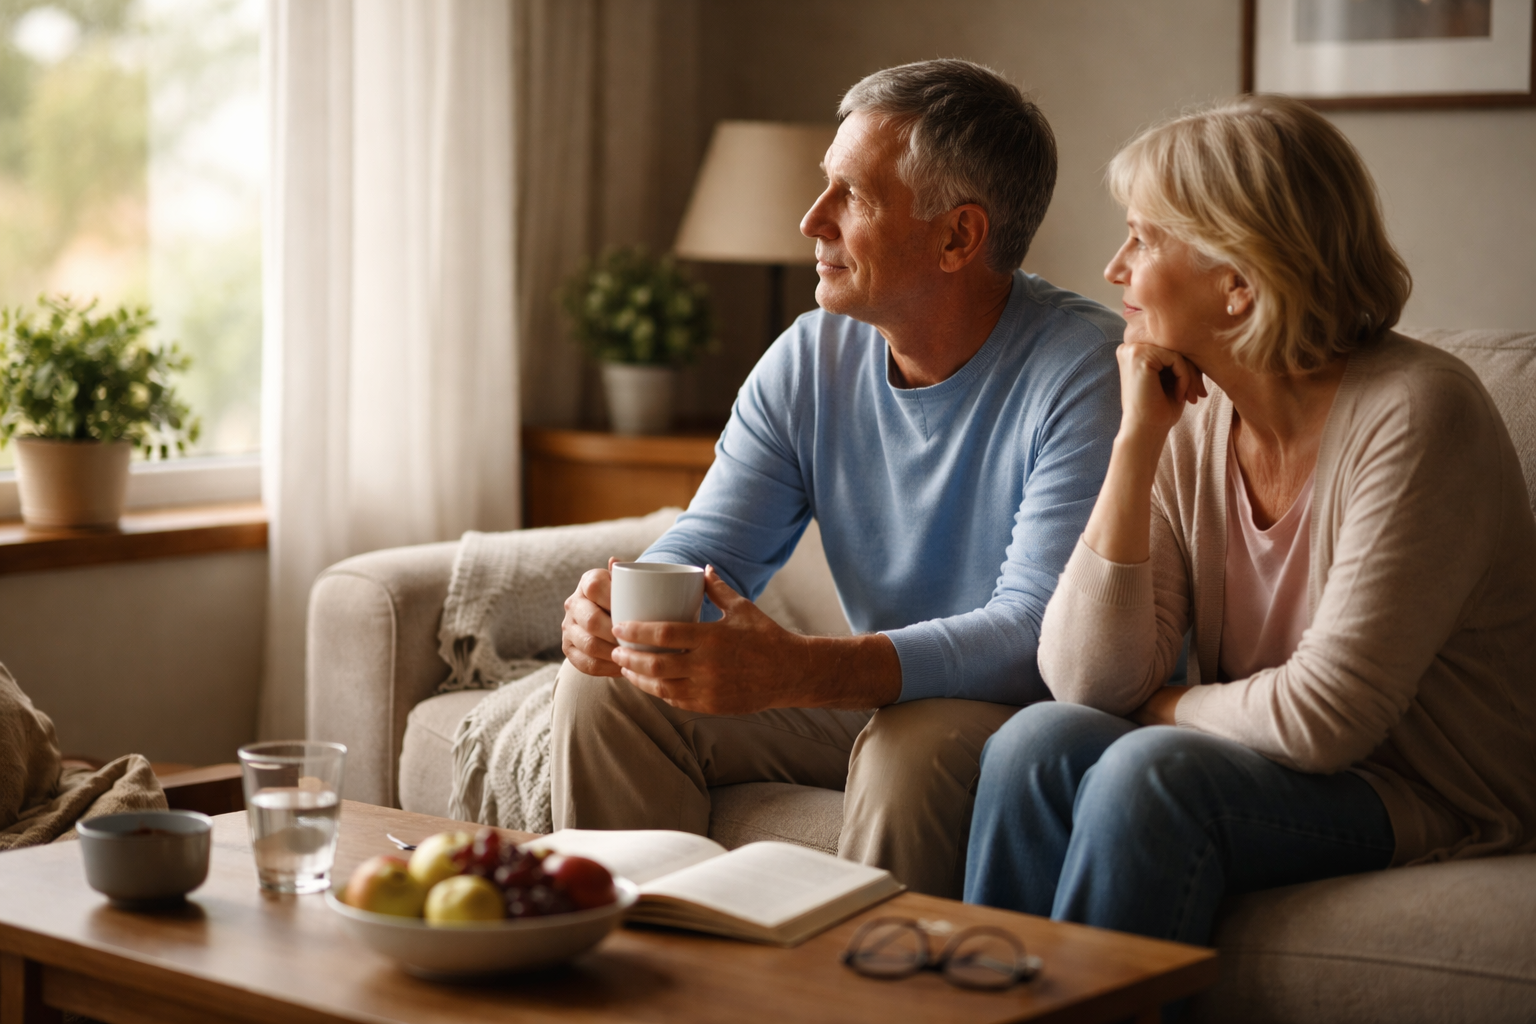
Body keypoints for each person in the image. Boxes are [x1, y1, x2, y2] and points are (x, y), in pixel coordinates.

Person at [964, 94, 1536, 946]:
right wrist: (1135, 446)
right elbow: (1086, 682)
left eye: (1144, 239)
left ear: (1238, 283)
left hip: (1425, 793)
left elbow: (1324, 719)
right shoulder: (1194, 416)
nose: (1114, 268)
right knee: (1033, 744)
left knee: (1146, 776)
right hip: (1266, 762)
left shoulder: (1418, 414)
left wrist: (1164, 707)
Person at [552, 59, 1123, 898]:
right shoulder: (809, 356)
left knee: (912, 743)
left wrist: (802, 668)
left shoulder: (1087, 372)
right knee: (614, 693)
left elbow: (1034, 633)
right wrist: (618, 605)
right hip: (886, 691)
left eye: (851, 195)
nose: (810, 218)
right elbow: (712, 549)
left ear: (958, 237)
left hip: (1037, 716)